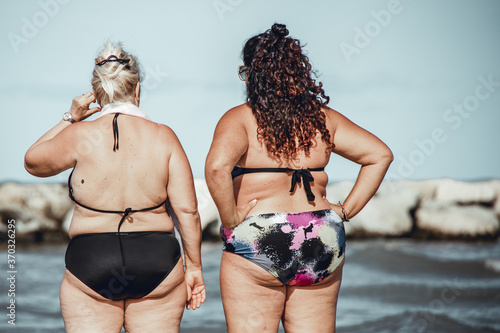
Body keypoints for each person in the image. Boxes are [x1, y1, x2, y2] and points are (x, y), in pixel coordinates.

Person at [205, 23, 393, 332]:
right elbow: (379, 155)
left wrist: (230, 219)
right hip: (322, 236)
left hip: (259, 236)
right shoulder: (322, 119)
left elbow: (216, 168)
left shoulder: (240, 118)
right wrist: (345, 211)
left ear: (252, 74)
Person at [24, 42, 205, 332]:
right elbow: (188, 211)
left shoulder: (79, 135)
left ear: (96, 93)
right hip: (156, 260)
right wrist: (194, 268)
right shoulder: (164, 137)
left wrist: (70, 117)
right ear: (136, 90)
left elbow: (33, 162)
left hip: (92, 261)